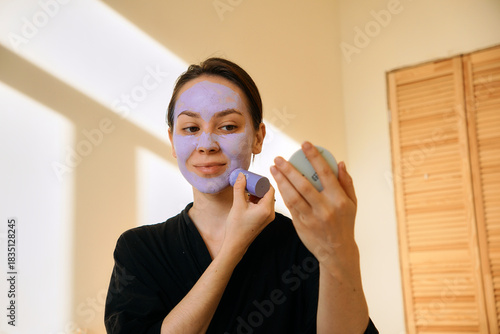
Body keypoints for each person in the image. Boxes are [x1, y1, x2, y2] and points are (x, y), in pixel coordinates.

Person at [105, 57, 378, 334]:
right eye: (191, 128)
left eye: (227, 126)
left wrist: (340, 249)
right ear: (173, 140)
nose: (206, 145)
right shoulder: (138, 250)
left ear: (258, 138)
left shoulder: (303, 242)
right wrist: (232, 249)